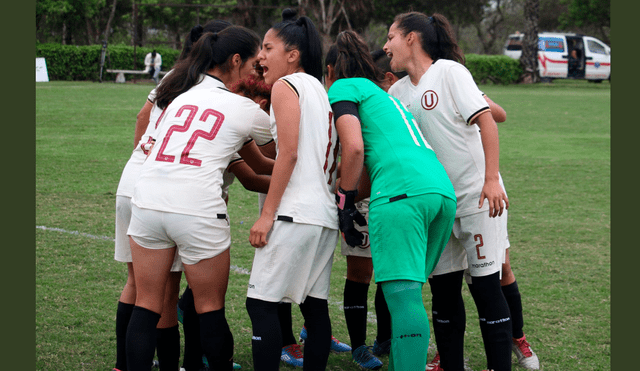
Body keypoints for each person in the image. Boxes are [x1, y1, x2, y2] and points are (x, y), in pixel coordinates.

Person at [125, 25, 271, 371]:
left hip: (147, 200)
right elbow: (284, 151)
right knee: (209, 308)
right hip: (196, 206)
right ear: (236, 61)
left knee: (147, 304)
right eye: (253, 65)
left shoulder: (178, 95)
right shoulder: (243, 107)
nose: (256, 72)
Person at [384, 12, 512, 371]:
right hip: (437, 206)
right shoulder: (396, 92)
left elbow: (488, 120)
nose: (385, 45)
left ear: (411, 38)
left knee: (486, 290)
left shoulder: (450, 72)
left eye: (390, 36)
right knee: (443, 293)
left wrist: (490, 180)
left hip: (477, 199)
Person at [325, 30, 457, 371]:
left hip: (402, 196)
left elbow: (354, 148)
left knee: (404, 298)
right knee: (409, 295)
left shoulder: (343, 86)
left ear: (330, 71)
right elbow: (374, 161)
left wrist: (343, 201)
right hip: (439, 191)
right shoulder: (387, 97)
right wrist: (351, 202)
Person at [113, 20, 234, 371]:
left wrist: (144, 156)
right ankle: (179, 363)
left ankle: (125, 363)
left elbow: (142, 117)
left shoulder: (174, 76)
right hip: (170, 192)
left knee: (138, 284)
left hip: (135, 179)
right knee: (170, 292)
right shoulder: (216, 89)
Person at [246, 8, 340, 371]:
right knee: (314, 308)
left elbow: (289, 153)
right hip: (322, 216)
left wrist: (266, 215)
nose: (260, 57)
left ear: (293, 54)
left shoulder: (286, 86)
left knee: (262, 304)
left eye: (268, 48)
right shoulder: (320, 89)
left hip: (293, 213)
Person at [426, 96, 540, 371]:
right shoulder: (403, 91)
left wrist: (474, 97)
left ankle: (517, 337)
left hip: (480, 193)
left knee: (499, 270)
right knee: (447, 281)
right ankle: (448, 352)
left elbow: (498, 115)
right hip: (444, 196)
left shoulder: (453, 79)